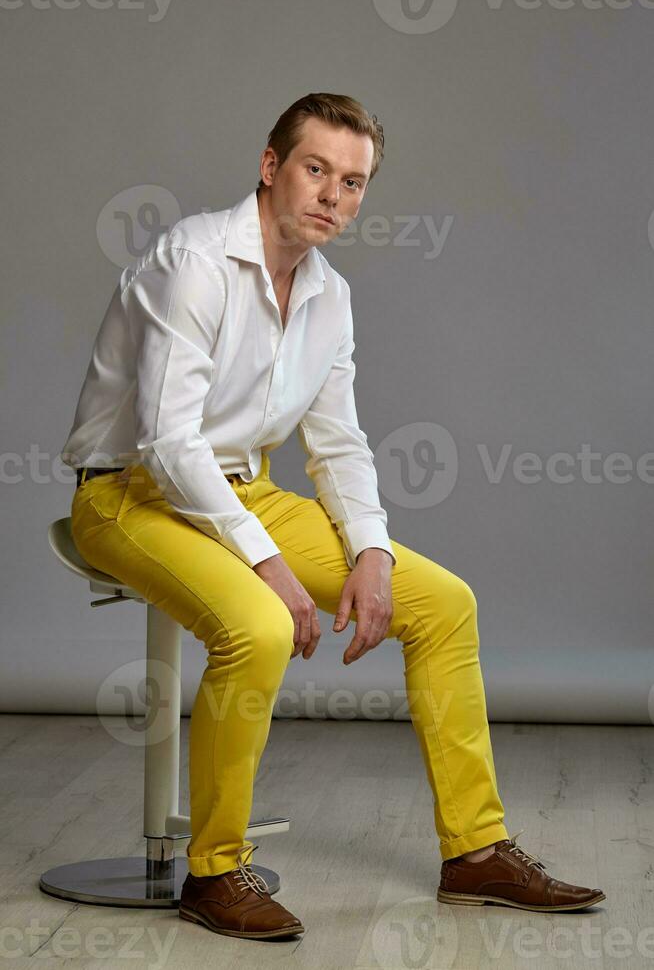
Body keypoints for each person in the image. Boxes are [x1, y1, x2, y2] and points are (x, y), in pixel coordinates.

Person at [60, 92, 606, 940]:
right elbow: (169, 444)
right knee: (259, 625)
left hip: (249, 489)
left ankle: (476, 852)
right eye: (317, 170)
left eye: (353, 183)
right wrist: (268, 566)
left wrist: (374, 551)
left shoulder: (329, 294)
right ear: (272, 166)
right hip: (130, 493)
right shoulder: (194, 260)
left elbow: (339, 442)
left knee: (445, 602)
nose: (333, 197)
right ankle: (214, 872)